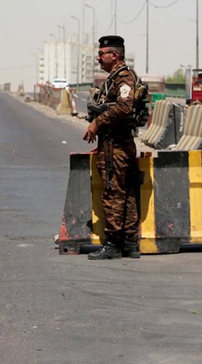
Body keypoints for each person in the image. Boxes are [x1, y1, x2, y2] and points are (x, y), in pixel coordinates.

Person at [83, 35, 141, 260]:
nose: (99, 57)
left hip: (116, 146)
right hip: (114, 144)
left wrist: (97, 123)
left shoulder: (124, 77)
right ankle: (128, 243)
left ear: (114, 55)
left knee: (113, 193)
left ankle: (114, 244)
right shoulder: (115, 78)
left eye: (101, 53)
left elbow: (125, 107)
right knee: (125, 193)